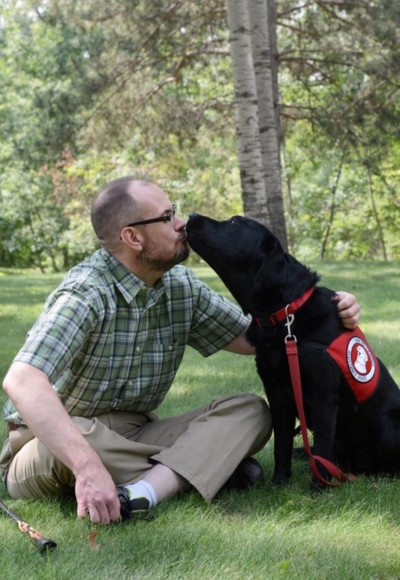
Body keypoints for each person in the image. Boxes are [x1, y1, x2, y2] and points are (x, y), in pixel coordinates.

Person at [0, 177, 361, 525]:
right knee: (77, 439)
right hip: (48, 443)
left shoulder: (180, 287)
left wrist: (328, 311)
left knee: (251, 411)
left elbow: (257, 337)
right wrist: (87, 466)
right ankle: (196, 468)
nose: (181, 223)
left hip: (137, 432)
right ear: (133, 237)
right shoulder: (86, 292)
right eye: (167, 217)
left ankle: (146, 490)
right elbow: (23, 381)